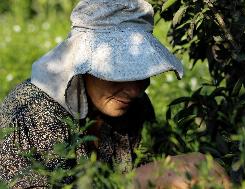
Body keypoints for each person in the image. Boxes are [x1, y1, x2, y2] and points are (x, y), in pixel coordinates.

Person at [0, 0, 229, 188]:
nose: (136, 89)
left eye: (141, 72)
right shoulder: (32, 114)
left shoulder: (133, 105)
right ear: (82, 64)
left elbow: (147, 163)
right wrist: (137, 180)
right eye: (120, 73)